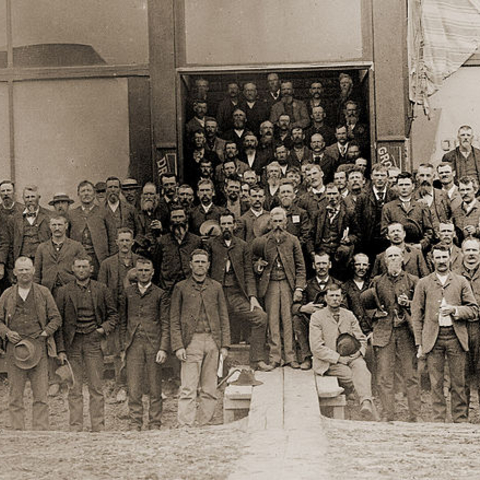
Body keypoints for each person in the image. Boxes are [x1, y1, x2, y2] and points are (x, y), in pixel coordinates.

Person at [411, 245, 478, 423]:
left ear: (450, 258)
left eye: (444, 257)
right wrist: (419, 343)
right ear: (432, 260)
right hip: (433, 338)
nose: (441, 261)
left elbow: (474, 310)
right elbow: (416, 316)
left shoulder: (461, 281)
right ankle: (438, 421)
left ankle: (460, 420)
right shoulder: (423, 283)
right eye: (438, 258)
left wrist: (455, 310)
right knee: (436, 382)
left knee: (459, 382)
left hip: (456, 337)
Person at [55, 254, 118, 432]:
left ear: (91, 269)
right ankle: (76, 426)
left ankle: (98, 426)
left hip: (93, 342)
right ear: (73, 269)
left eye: (85, 267)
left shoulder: (101, 289)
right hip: (73, 344)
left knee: (96, 386)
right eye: (78, 267)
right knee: (74, 387)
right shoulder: (64, 291)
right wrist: (61, 349)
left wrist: (102, 329)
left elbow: (113, 316)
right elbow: (58, 323)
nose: (81, 270)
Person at [0, 256, 62, 430]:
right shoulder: (7, 295)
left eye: (27, 269)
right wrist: (7, 332)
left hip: (39, 349)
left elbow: (56, 318)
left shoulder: (43, 293)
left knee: (41, 394)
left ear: (34, 270)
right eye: (21, 270)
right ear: (15, 273)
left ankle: (40, 431)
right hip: (15, 350)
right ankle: (18, 431)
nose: (24, 273)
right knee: (15, 395)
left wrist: (45, 333)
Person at [170, 249, 230, 426]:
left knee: (209, 386)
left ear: (209, 265)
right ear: (190, 264)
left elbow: (224, 317)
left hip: (212, 341)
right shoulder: (181, 288)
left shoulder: (216, 287)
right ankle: (185, 424)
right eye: (196, 262)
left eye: (203, 262)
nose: (200, 265)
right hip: (192, 342)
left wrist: (225, 345)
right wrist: (178, 346)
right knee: (188, 387)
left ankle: (205, 422)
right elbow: (173, 318)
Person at [208, 212, 271, 371]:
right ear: (220, 226)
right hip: (217, 296)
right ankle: (214, 365)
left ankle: (256, 359)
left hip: (236, 295)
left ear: (234, 225)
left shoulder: (243, 246)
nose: (226, 227)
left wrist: (252, 297)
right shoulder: (211, 244)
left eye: (229, 224)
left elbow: (249, 273)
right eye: (223, 224)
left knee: (261, 317)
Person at [367, 246, 420, 422]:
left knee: (411, 374)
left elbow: (422, 308)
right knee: (384, 376)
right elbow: (365, 306)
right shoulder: (376, 281)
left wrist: (409, 303)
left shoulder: (413, 281)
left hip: (406, 332)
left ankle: (415, 415)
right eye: (390, 256)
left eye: (397, 255)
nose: (393, 259)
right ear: (385, 260)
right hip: (384, 332)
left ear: (403, 259)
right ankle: (388, 414)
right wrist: (376, 314)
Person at [309, 282, 377, 420]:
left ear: (342, 298)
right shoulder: (317, 317)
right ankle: (370, 412)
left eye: (338, 296)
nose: (335, 299)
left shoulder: (349, 315)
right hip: (329, 362)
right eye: (332, 296)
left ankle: (365, 404)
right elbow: (316, 348)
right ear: (326, 298)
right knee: (353, 376)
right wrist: (339, 358)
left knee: (362, 367)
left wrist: (359, 353)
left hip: (352, 357)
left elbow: (361, 339)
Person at [120, 257, 170, 431]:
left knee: (155, 386)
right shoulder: (128, 293)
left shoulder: (160, 294)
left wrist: (163, 348)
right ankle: (135, 422)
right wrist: (122, 346)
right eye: (140, 270)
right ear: (136, 272)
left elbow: (165, 323)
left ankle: (155, 423)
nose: (143, 274)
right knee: (134, 386)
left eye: (146, 270)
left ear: (152, 272)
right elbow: (122, 321)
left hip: (153, 345)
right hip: (133, 344)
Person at [252, 208, 306, 368]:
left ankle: (290, 357)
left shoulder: (293, 240)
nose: (277, 225)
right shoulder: (261, 241)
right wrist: (258, 266)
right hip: (270, 285)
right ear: (269, 224)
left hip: (288, 285)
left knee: (288, 320)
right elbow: (253, 262)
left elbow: (301, 267)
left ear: (286, 223)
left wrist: (299, 288)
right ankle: (275, 357)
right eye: (274, 221)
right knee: (273, 320)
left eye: (280, 221)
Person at [98, 227, 139, 402]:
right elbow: (101, 290)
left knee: (136, 348)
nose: (124, 244)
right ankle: (121, 385)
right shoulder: (107, 264)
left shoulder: (140, 262)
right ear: (116, 242)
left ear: (132, 242)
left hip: (135, 312)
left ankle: (136, 385)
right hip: (115, 312)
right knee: (118, 350)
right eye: (121, 240)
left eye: (127, 240)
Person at [292, 252, 339, 370]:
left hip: (331, 323)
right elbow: (293, 307)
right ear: (313, 266)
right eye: (319, 264)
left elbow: (345, 307)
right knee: (297, 319)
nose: (322, 266)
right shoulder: (306, 285)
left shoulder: (338, 284)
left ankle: (331, 357)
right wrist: (304, 308)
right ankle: (307, 357)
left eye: (324, 263)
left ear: (330, 265)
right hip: (312, 324)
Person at [68, 180, 116, 277]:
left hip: (99, 259)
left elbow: (112, 238)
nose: (86, 194)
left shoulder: (104, 212)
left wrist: (110, 259)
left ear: (94, 193)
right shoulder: (71, 214)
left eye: (89, 191)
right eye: (83, 191)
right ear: (78, 194)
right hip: (78, 258)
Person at [454, 238, 480, 415]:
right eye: (467, 250)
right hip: (461, 328)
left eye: (475, 250)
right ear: (462, 252)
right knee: (460, 371)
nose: (471, 254)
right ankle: (460, 416)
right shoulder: (454, 275)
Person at [0, 186, 51, 273]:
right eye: (27, 197)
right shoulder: (15, 218)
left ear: (38, 198)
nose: (30, 200)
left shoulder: (48, 216)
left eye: (33, 197)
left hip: (43, 261)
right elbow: (10, 245)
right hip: (22, 262)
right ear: (23, 199)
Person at [153, 204, 203, 292]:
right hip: (168, 289)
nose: (178, 220)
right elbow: (156, 265)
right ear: (170, 220)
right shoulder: (162, 241)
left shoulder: (196, 241)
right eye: (174, 217)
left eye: (180, 217)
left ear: (186, 219)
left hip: (191, 287)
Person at [34, 214, 86, 295]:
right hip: (47, 290)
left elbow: (83, 270)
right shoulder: (42, 247)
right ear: (49, 226)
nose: (57, 228)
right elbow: (36, 273)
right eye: (54, 225)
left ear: (66, 226)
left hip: (70, 290)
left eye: (60, 225)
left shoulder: (77, 246)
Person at [354, 163, 397, 260]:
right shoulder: (363, 196)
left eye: (382, 175)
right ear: (371, 177)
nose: (380, 178)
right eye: (377, 175)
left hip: (388, 240)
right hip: (369, 241)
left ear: (387, 177)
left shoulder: (394, 195)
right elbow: (358, 221)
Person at [381, 172, 434, 252]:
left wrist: (421, 245)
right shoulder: (388, 207)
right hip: (396, 250)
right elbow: (384, 232)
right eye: (401, 185)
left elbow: (429, 231)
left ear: (413, 186)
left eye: (407, 185)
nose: (404, 188)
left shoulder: (421, 206)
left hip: (418, 250)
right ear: (396, 187)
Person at [413, 163, 451, 232]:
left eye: (428, 176)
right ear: (417, 177)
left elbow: (450, 216)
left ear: (433, 177)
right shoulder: (412, 197)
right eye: (422, 175)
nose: (425, 179)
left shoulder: (443, 195)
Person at [103, 176, 140, 241]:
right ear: (106, 190)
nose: (113, 190)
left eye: (116, 187)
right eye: (110, 187)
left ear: (120, 189)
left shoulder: (130, 209)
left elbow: (139, 231)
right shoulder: (99, 210)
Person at [452, 176, 480, 245]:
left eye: (468, 189)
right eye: (462, 190)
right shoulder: (456, 212)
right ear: (458, 191)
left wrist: (476, 231)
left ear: (475, 190)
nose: (465, 193)